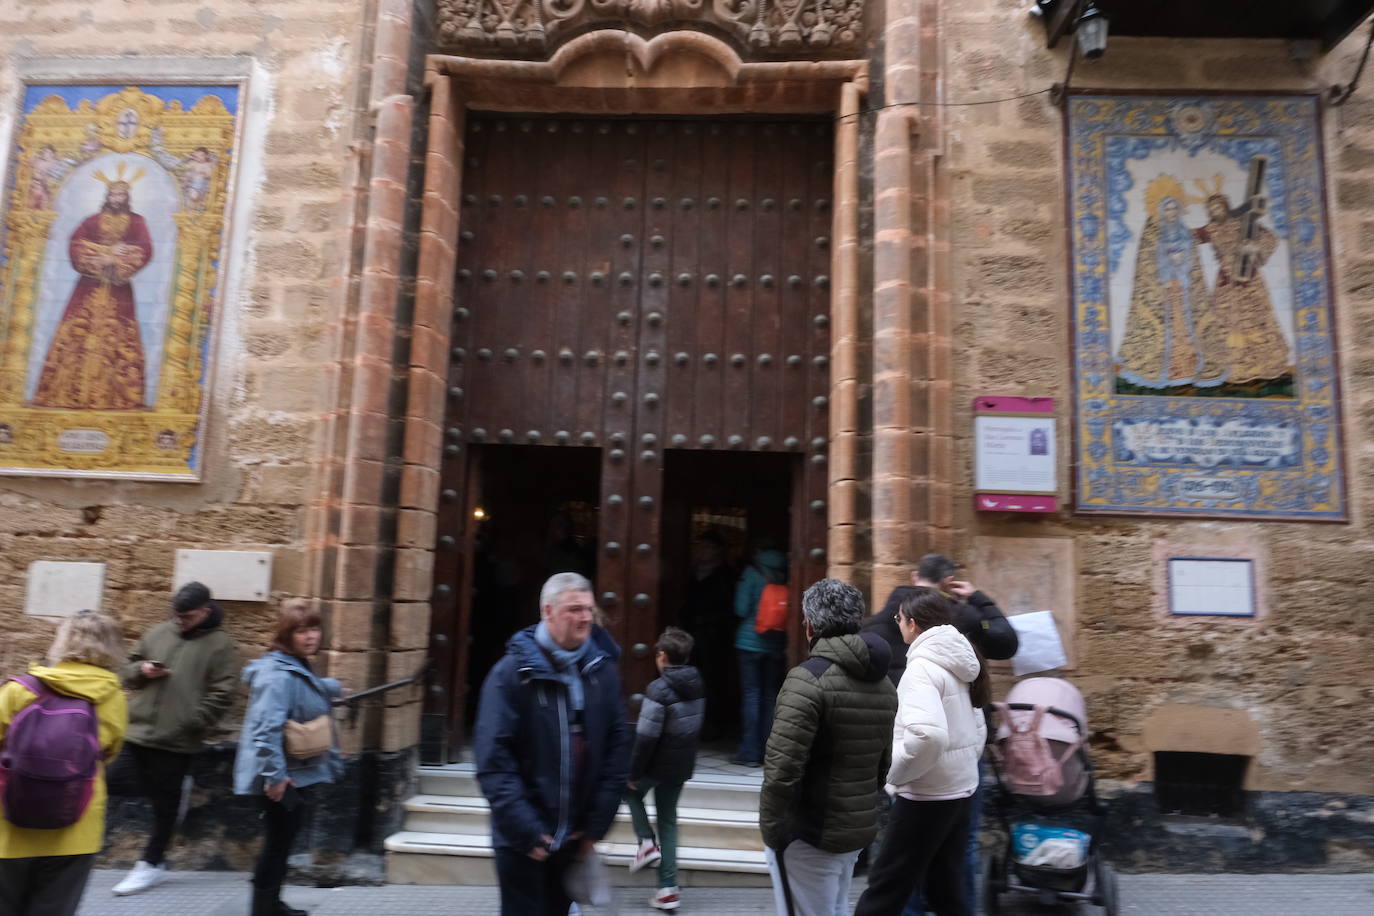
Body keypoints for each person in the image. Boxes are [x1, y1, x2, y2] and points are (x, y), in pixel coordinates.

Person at [474, 572, 630, 916]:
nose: (586, 617)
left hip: (573, 841)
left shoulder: (602, 672)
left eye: (588, 609)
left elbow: (617, 749)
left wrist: (594, 826)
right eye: (574, 609)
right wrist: (526, 830)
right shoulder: (512, 674)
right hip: (524, 842)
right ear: (548, 611)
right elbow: (493, 758)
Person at [759, 578, 897, 916]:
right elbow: (883, 763)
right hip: (853, 828)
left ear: (810, 625)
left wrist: (773, 829)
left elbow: (783, 768)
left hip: (810, 831)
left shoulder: (807, 680)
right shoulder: (883, 683)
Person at [853, 588, 990, 916]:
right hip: (960, 789)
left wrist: (893, 775)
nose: (897, 623)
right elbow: (978, 726)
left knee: (885, 888)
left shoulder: (922, 668)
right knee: (946, 889)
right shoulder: (960, 658)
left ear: (912, 624)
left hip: (926, 795)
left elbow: (927, 736)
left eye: (898, 618)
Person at [109, 581, 238, 896]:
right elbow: (125, 671)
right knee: (112, 779)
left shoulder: (221, 645)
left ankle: (151, 865)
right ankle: (177, 793)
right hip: (136, 731)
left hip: (178, 740)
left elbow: (224, 693)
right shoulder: (157, 633)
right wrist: (143, 669)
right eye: (177, 615)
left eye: (188, 616)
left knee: (165, 809)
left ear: (205, 611)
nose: (180, 621)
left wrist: (193, 722)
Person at [906, 554, 1018, 915]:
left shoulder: (895, 621)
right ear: (949, 580)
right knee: (962, 841)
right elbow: (1005, 639)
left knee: (912, 844)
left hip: (917, 754)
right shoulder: (966, 620)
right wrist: (979, 597)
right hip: (964, 754)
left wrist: (892, 773)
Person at [0, 611, 128, 916]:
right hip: (76, 826)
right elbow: (109, 751)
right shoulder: (113, 696)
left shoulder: (21, 689)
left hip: (9, 824)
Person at [233, 599, 343, 916]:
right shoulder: (276, 675)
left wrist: (331, 688)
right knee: (278, 842)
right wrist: (276, 777)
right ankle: (263, 908)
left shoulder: (292, 666)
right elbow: (266, 730)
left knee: (283, 839)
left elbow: (301, 686)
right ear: (286, 634)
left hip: (292, 772)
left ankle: (270, 903)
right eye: (301, 630)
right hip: (282, 777)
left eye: (314, 628)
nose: (311, 637)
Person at [31, 172, 154, 410]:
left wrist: (119, 261)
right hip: (87, 289)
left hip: (119, 291)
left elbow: (145, 249)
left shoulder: (138, 222)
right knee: (78, 334)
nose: (116, 198)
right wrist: (103, 255)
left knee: (118, 338)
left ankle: (116, 398)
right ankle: (67, 394)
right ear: (107, 196)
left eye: (121, 195)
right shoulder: (91, 221)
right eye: (113, 194)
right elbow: (76, 243)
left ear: (126, 197)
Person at [623, 627, 705, 912]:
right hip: (681, 765)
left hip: (656, 765)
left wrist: (633, 774)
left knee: (628, 792)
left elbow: (645, 738)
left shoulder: (658, 689)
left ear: (661, 656)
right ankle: (667, 890)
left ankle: (646, 842)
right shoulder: (697, 683)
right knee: (668, 821)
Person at [732, 541, 788, 766]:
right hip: (776, 644)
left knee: (752, 696)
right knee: (770, 696)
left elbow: (740, 608)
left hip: (749, 643)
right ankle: (769, 749)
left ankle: (749, 752)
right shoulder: (785, 572)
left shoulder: (752, 572)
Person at [679, 529, 737, 739]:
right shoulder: (693, 572)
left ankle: (713, 726)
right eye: (699, 546)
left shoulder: (726, 575)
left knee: (713, 681)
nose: (701, 551)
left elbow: (729, 609)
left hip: (714, 637)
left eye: (707, 547)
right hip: (693, 635)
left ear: (717, 551)